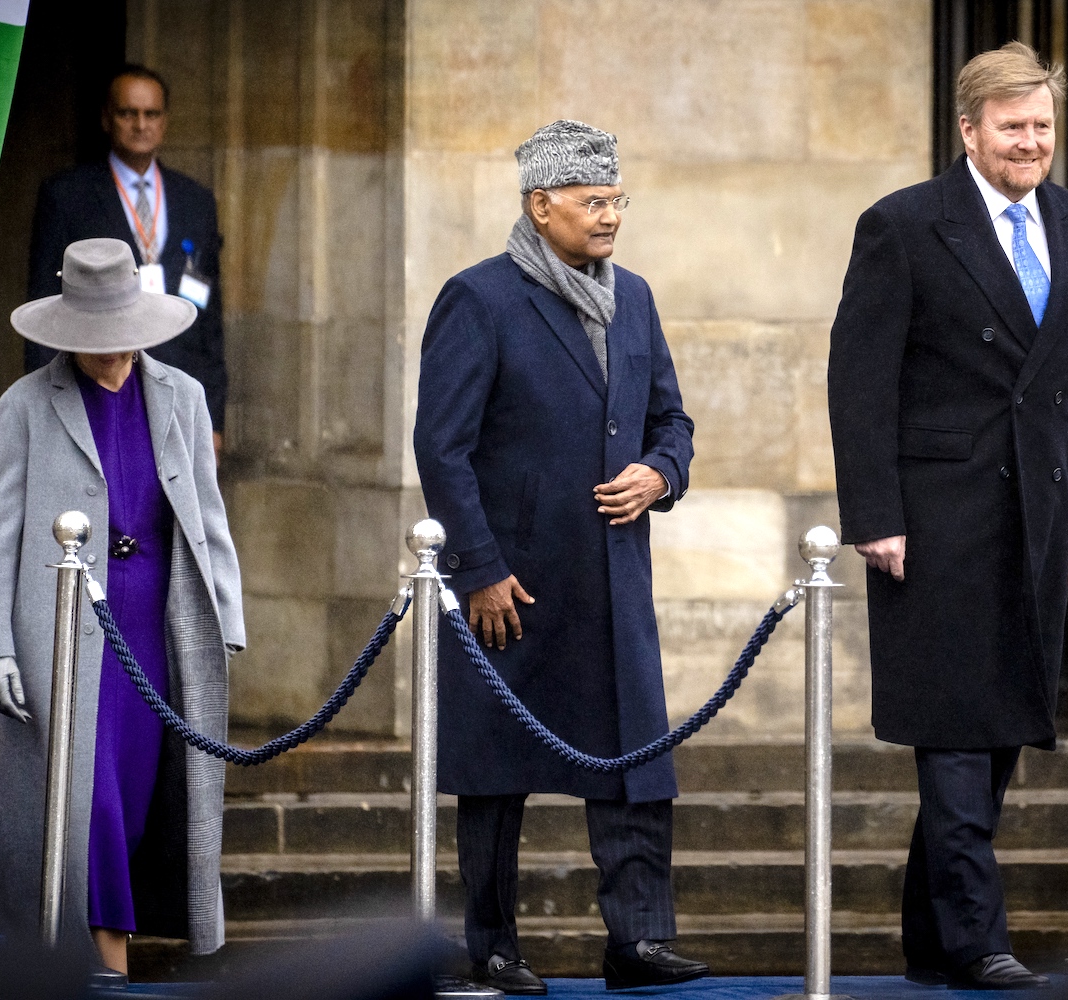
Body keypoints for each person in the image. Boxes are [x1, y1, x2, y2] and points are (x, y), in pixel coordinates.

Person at [827, 42, 1068, 989]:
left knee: (998, 728)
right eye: (1013, 128)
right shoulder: (904, 226)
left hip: (1044, 521)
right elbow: (859, 382)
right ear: (969, 130)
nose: (1031, 143)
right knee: (956, 729)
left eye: (1042, 126)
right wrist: (875, 514)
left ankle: (933, 937)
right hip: (935, 522)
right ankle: (977, 940)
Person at [413, 120, 704, 994]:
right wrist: (478, 570)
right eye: (592, 202)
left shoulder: (639, 298)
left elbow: (673, 423)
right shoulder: (480, 298)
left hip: (615, 581)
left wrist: (661, 473)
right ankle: (494, 948)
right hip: (514, 586)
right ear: (541, 208)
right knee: (495, 776)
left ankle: (639, 942)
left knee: (634, 769)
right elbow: (442, 448)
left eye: (617, 199)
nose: (611, 216)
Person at [0, 238, 244, 983]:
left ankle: (88, 966)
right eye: (95, 344)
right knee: (90, 804)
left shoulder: (183, 396)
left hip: (154, 626)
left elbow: (206, 517)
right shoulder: (24, 404)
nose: (111, 357)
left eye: (122, 341)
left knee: (128, 793)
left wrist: (228, 616)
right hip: (53, 627)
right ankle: (104, 973)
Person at [27, 64, 227, 454]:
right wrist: (49, 407)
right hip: (97, 390)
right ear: (106, 118)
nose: (140, 124)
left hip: (178, 393)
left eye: (151, 114)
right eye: (127, 113)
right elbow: (45, 304)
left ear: (165, 121)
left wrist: (214, 418)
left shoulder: (196, 201)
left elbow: (212, 321)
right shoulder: (67, 196)